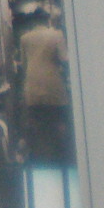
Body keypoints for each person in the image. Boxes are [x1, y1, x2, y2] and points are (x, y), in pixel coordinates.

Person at [16, 10, 71, 160]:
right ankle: (61, 155)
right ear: (47, 20)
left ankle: (35, 155)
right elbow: (64, 59)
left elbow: (24, 63)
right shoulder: (57, 35)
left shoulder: (24, 38)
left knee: (34, 122)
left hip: (32, 85)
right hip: (53, 85)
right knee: (58, 121)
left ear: (32, 22)